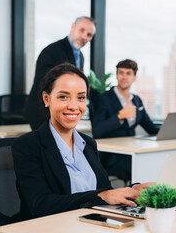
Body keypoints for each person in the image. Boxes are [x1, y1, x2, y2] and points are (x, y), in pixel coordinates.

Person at [12, 63, 152, 220]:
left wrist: (132, 190)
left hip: (93, 225)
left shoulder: (88, 144)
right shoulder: (28, 145)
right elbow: (40, 204)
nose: (73, 106)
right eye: (63, 97)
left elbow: (104, 191)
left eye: (80, 98)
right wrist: (102, 196)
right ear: (47, 99)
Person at [25, 16, 96, 130]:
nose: (84, 36)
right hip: (43, 113)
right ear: (73, 27)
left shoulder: (80, 56)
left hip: (62, 114)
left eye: (89, 35)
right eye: (82, 30)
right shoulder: (52, 51)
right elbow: (44, 84)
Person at [91, 59, 159, 176]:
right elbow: (97, 131)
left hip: (133, 151)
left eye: (128, 73)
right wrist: (120, 116)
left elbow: (150, 128)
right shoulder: (103, 99)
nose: (124, 77)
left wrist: (171, 130)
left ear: (134, 77)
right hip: (113, 156)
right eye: (121, 73)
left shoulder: (136, 100)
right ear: (116, 75)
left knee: (154, 161)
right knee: (145, 166)